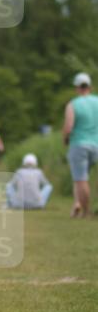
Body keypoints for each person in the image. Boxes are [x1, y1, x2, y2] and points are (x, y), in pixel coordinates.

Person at [63, 72, 98, 218]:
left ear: (77, 87)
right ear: (90, 86)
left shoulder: (73, 104)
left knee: (81, 179)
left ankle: (85, 211)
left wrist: (65, 139)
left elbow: (69, 127)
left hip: (79, 144)